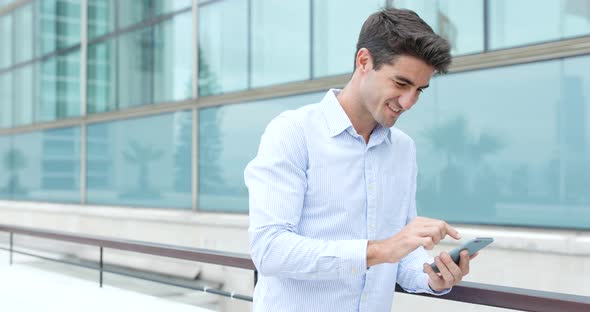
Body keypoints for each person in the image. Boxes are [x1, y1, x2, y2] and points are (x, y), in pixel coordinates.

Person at [244, 8, 476, 312]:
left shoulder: (403, 149)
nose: (408, 102)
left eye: (419, 90)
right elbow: (269, 250)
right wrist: (379, 250)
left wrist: (433, 278)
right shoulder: (292, 132)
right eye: (401, 84)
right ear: (364, 61)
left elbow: (400, 256)